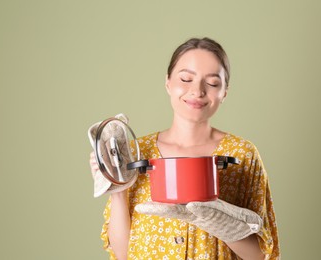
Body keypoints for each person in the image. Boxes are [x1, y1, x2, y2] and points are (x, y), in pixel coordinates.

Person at [89, 37, 280, 259]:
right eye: (186, 79)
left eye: (212, 83)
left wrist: (220, 223)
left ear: (225, 91)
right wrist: (117, 190)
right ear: (168, 82)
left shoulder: (242, 153)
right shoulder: (134, 153)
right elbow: (121, 254)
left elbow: (262, 256)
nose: (197, 91)